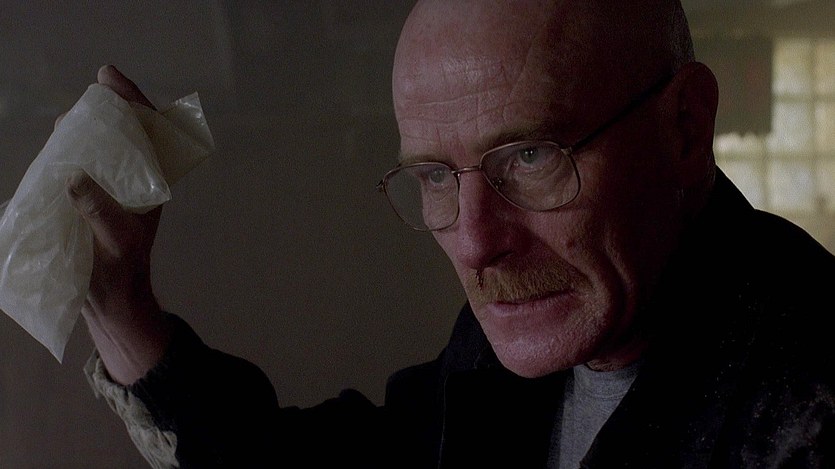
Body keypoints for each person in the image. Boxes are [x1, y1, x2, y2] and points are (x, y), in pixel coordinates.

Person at [68, 1, 834, 467]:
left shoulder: (808, 410)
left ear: (684, 129)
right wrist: (119, 304)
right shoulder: (523, 334)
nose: (474, 244)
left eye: (530, 156)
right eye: (434, 174)